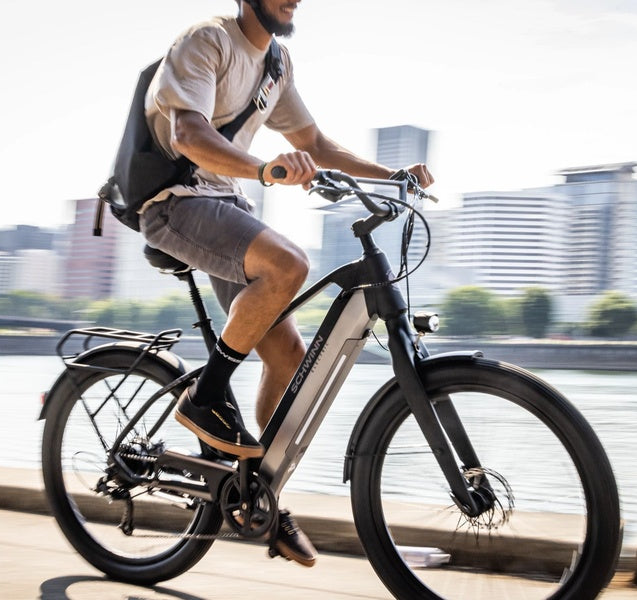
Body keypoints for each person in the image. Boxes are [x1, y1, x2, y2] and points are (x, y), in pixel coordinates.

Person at [139, 0, 434, 567]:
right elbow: (189, 135)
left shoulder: (276, 64)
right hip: (174, 203)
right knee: (288, 264)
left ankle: (258, 497)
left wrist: (392, 176)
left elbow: (318, 145)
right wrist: (264, 168)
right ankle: (205, 400)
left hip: (225, 204)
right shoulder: (208, 40)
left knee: (289, 356)